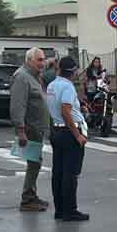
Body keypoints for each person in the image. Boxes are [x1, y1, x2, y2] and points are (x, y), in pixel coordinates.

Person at [46, 56, 90, 222]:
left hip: (56, 130)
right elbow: (65, 110)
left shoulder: (52, 85)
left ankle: (60, 209)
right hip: (69, 132)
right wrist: (77, 135)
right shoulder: (67, 86)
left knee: (58, 172)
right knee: (70, 174)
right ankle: (70, 210)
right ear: (72, 71)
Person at [10, 48, 50, 212]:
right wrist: (21, 130)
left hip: (37, 127)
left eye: (43, 60)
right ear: (29, 60)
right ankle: (27, 199)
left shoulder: (34, 76)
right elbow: (17, 105)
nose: (43, 63)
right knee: (34, 163)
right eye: (39, 60)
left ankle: (32, 195)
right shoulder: (22, 77)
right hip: (29, 127)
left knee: (35, 162)